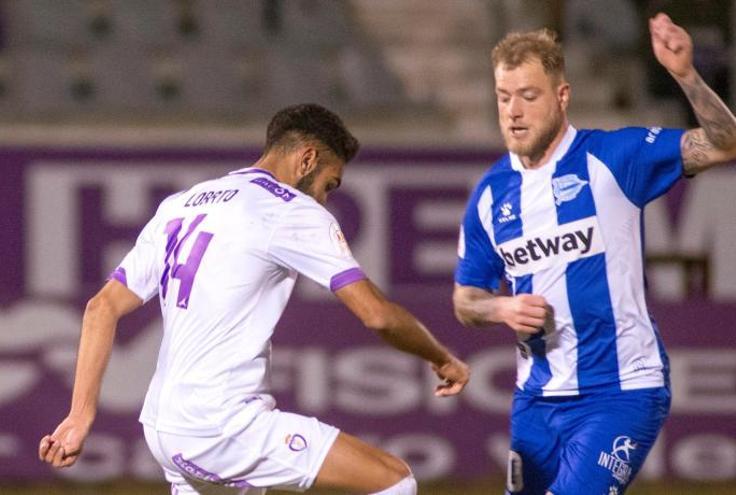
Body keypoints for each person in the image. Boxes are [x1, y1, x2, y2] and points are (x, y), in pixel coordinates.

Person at [38, 104, 470, 495]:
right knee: (394, 481)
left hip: (164, 428)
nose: (325, 198)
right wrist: (440, 356)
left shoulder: (182, 205)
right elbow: (377, 316)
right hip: (221, 427)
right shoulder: (293, 211)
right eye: (329, 184)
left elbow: (101, 307)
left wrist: (79, 417)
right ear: (307, 159)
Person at [453, 14, 736, 495]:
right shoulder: (490, 196)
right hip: (537, 402)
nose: (513, 112)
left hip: (622, 392)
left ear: (562, 97)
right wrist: (500, 307)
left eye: (529, 96)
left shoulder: (614, 158)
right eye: (504, 98)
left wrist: (685, 75)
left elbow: (727, 143)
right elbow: (465, 299)